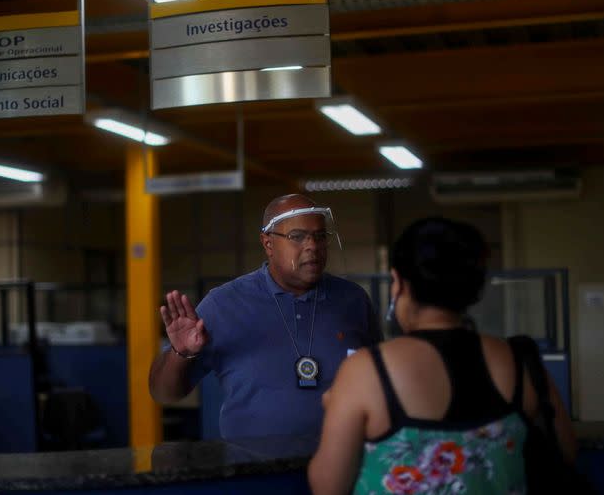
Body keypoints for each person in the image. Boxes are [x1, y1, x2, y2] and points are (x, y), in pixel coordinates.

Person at [308, 217, 576, 494]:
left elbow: (328, 486)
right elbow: (566, 453)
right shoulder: (520, 363)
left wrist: (335, 408)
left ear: (399, 283)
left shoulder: (366, 371)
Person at [148, 194, 382, 440]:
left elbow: (379, 382)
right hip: (254, 472)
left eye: (320, 236)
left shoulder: (352, 300)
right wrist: (181, 353)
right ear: (268, 243)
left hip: (345, 468)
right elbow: (164, 394)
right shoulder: (224, 304)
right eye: (297, 236)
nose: (312, 245)